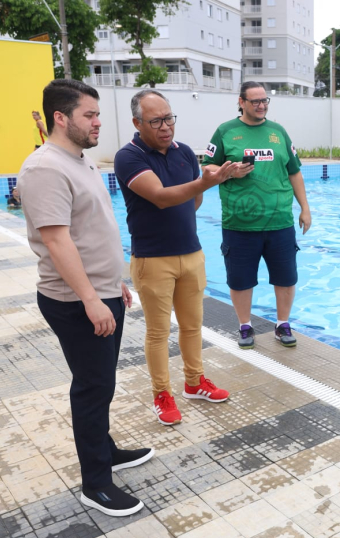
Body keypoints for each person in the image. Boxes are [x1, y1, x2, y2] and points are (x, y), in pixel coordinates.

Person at [18, 79, 152, 518]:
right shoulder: (44, 169)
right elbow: (58, 243)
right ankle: (96, 483)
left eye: (97, 114)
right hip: (76, 301)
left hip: (102, 291)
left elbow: (91, 231)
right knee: (92, 387)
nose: (98, 123)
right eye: (89, 115)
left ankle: (107, 449)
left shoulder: (83, 161)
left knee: (102, 382)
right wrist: (92, 299)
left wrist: (114, 282)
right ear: (61, 117)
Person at [115, 90, 237, 426]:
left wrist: (209, 181)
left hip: (191, 253)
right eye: (156, 121)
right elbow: (161, 198)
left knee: (192, 326)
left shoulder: (184, 153)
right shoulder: (128, 157)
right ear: (137, 123)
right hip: (153, 259)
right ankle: (161, 394)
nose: (166, 126)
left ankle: (195, 383)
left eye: (169, 118)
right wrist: (206, 182)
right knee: (158, 332)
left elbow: (190, 203)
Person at [202, 82, 311, 350]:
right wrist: (229, 171)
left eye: (265, 101)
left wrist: (305, 208)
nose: (261, 106)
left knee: (286, 277)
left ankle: (282, 324)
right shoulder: (225, 131)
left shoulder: (278, 132)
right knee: (241, 280)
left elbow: (294, 171)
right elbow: (207, 167)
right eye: (255, 101)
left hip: (279, 221)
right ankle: (245, 326)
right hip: (239, 223)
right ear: (241, 102)